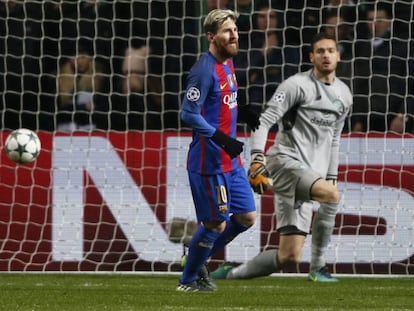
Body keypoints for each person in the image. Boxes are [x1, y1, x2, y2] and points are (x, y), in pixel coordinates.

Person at [211, 32, 352, 282]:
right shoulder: (296, 85)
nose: (326, 55)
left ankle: (229, 274)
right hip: (285, 162)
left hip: (310, 176)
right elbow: (264, 121)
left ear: (338, 56)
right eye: (320, 51)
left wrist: (331, 176)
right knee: (331, 196)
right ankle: (319, 267)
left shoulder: (344, 94)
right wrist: (257, 158)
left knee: (289, 256)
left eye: (330, 50)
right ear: (311, 57)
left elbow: (335, 139)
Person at [178, 8, 260, 292]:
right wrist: (221, 138)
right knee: (216, 224)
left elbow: (221, 103)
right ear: (211, 36)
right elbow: (188, 114)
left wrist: (242, 111)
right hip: (209, 162)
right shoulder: (203, 70)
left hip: (230, 160)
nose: (234, 34)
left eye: (235, 29)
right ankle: (188, 280)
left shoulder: (227, 64)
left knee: (246, 217)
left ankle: (196, 253)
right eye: (227, 31)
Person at [352, 2, 412, 133]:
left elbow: (410, 84)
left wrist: (403, 115)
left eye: (379, 19)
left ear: (390, 22)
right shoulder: (362, 48)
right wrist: (358, 119)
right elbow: (359, 85)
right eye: (370, 19)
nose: (375, 24)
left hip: (395, 118)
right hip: (367, 120)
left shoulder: (403, 47)